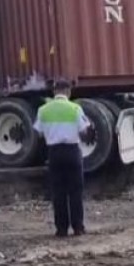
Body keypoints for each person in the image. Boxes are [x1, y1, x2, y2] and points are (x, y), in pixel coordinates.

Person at [33, 79, 94, 238]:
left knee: (58, 192)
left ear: (54, 91)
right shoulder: (75, 108)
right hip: (72, 151)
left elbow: (38, 133)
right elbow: (84, 132)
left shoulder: (43, 110)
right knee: (75, 191)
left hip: (54, 152)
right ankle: (78, 227)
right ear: (68, 91)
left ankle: (61, 229)